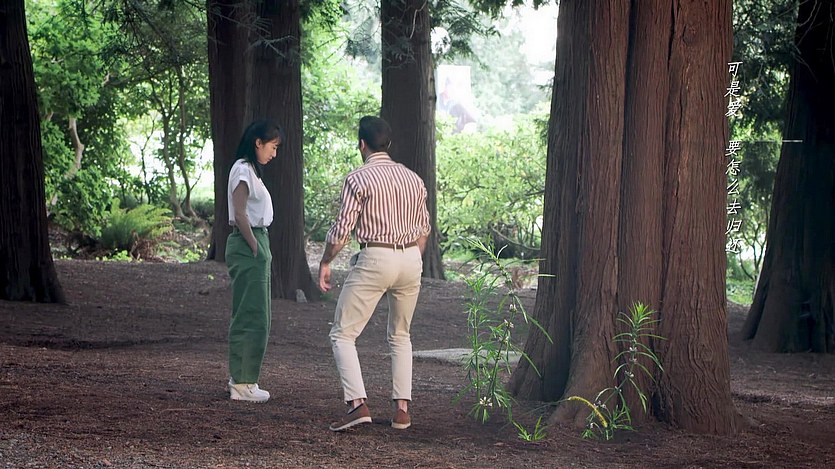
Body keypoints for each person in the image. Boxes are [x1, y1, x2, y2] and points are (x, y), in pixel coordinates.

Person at [318, 116, 431, 432]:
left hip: (375, 256)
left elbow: (342, 231)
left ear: (361, 144)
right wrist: (411, 258)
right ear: (389, 144)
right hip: (411, 257)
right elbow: (424, 228)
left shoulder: (358, 179)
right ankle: (402, 411)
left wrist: (326, 261)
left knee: (343, 333)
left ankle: (357, 405)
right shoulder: (413, 179)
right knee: (401, 335)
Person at [225, 119, 283, 403]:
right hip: (250, 242)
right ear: (257, 142)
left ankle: (247, 378)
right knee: (251, 314)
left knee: (259, 314)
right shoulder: (243, 169)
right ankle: (242, 382)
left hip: (258, 240)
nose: (274, 153)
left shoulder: (250, 171)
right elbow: (239, 213)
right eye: (272, 146)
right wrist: (253, 245)